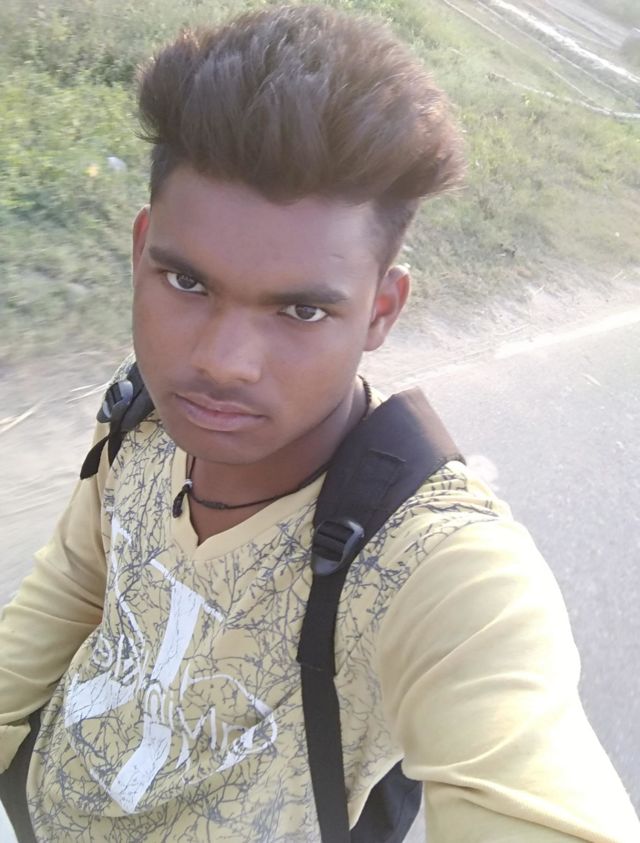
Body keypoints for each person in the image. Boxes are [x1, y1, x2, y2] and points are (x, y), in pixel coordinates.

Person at [0, 5, 638, 842]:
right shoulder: (139, 419)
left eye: (301, 310)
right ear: (141, 249)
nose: (223, 361)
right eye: (187, 283)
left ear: (381, 311)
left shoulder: (441, 567)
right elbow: (74, 587)